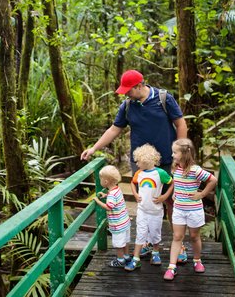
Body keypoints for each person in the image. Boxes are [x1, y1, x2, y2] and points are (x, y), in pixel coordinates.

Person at [81, 69, 188, 260]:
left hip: (166, 160)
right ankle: (146, 242)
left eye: (128, 90)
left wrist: (181, 155)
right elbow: (115, 129)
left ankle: (178, 245)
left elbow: (181, 124)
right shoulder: (128, 106)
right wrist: (94, 148)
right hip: (141, 164)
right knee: (144, 201)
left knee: (172, 202)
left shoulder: (164, 98)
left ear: (140, 86)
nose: (126, 94)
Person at [163, 138, 217, 281]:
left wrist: (202, 194)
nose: (172, 155)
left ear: (185, 153)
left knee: (194, 237)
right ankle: (171, 267)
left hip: (194, 210)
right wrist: (175, 193)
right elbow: (177, 181)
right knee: (177, 237)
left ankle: (197, 260)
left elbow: (213, 180)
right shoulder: (175, 168)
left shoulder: (195, 170)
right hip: (179, 209)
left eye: (175, 152)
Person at [125, 144, 174, 271]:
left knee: (155, 233)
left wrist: (165, 196)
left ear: (146, 161)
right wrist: (135, 194)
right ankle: (136, 259)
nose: (136, 164)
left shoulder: (160, 173)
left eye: (138, 161)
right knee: (140, 233)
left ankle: (155, 253)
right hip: (142, 210)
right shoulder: (139, 173)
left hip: (156, 211)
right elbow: (132, 182)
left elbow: (172, 182)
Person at [94, 165, 131, 267]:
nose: (100, 180)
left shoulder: (111, 195)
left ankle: (120, 260)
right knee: (126, 241)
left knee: (119, 244)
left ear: (105, 182)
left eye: (100, 179)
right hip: (125, 222)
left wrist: (97, 201)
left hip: (118, 224)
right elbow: (115, 200)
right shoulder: (117, 189)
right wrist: (106, 195)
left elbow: (109, 207)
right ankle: (127, 256)